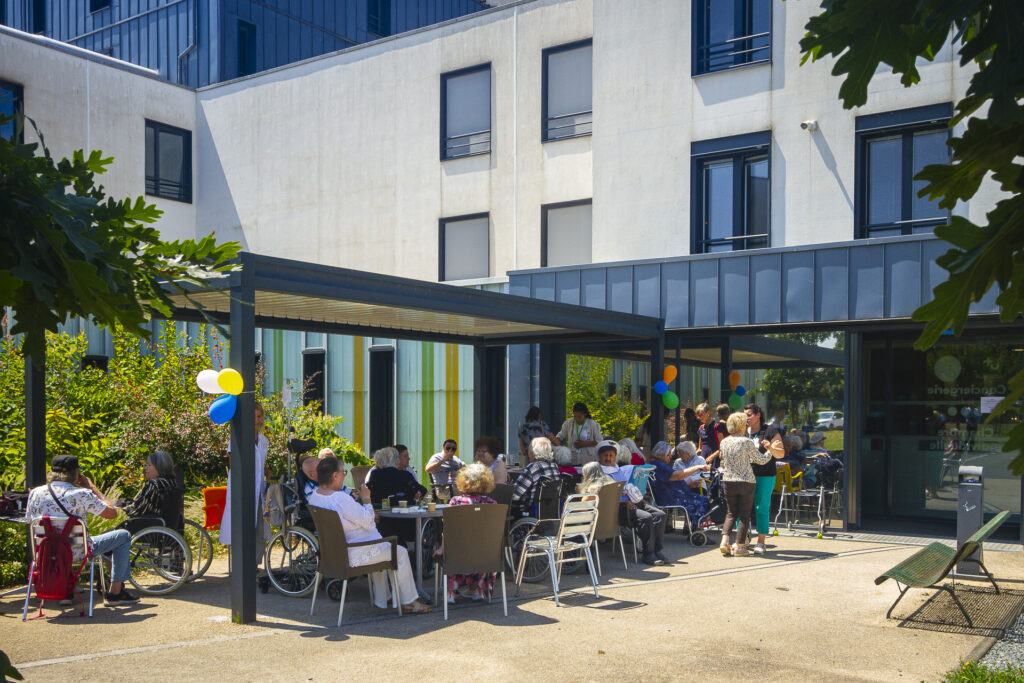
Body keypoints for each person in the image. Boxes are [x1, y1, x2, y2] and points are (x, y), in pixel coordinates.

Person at [307, 456, 431, 614]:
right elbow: (368, 520)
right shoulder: (340, 498)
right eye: (343, 472)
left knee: (380, 545)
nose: (344, 475)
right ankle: (409, 601)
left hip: (333, 554)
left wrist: (355, 503)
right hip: (355, 552)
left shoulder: (315, 496)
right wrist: (366, 498)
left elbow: (345, 518)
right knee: (400, 552)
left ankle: (384, 598)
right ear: (335, 476)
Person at [26, 455, 138, 604]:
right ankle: (115, 593)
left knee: (61, 539)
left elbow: (29, 520)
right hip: (78, 551)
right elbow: (112, 513)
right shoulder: (81, 494)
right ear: (76, 474)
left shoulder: (35, 493)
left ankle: (66, 589)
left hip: (45, 551)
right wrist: (91, 488)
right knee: (123, 535)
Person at [597, 441, 668, 566]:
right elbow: (603, 496)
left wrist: (638, 499)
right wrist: (624, 502)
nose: (608, 458)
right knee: (647, 517)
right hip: (617, 509)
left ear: (615, 457)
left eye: (611, 455)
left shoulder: (616, 469)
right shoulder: (598, 472)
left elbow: (625, 488)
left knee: (660, 515)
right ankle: (648, 553)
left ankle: (657, 550)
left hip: (630, 502)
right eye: (605, 455)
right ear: (600, 457)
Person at [220, 403, 271, 568]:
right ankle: (241, 565)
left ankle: (254, 564)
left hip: (258, 489)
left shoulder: (263, 440)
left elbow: (262, 463)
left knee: (259, 528)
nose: (256, 420)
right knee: (242, 528)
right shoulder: (238, 437)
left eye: (259, 416)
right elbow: (234, 463)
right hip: (242, 488)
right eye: (253, 416)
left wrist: (269, 475)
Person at [717, 412, 771, 557]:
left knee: (730, 513)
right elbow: (760, 460)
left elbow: (723, 462)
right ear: (742, 425)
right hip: (746, 481)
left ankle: (724, 541)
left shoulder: (724, 442)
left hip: (728, 480)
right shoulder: (746, 442)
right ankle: (740, 546)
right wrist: (770, 450)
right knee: (744, 515)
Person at [443, 464, 499, 602]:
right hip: (485, 555)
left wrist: (441, 549)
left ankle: (450, 592)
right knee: (481, 546)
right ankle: (478, 589)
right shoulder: (492, 503)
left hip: (459, 554)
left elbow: (448, 530)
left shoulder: (455, 501)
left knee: (452, 547)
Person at [745, 402, 785, 555]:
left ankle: (761, 541)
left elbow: (781, 454)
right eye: (745, 415)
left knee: (761, 508)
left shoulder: (769, 431)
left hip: (765, 475)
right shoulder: (743, 431)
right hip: (745, 475)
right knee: (743, 507)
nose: (746, 418)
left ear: (758, 415)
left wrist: (770, 447)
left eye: (749, 415)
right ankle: (743, 539)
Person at [646, 441, 711, 531]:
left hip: (670, 495)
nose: (669, 458)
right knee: (703, 500)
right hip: (670, 498)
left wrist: (688, 484)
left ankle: (693, 528)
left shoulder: (654, 465)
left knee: (699, 497)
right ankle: (696, 530)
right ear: (660, 455)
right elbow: (677, 475)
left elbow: (671, 479)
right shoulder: (659, 466)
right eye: (668, 455)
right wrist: (697, 467)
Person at [121, 450, 176, 518]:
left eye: (149, 465)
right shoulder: (171, 483)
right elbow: (143, 504)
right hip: (165, 525)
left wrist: (123, 502)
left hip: (150, 525)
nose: (145, 468)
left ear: (159, 467)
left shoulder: (154, 484)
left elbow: (137, 510)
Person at [511, 437, 560, 510]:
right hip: (549, 510)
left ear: (533, 452)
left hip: (530, 510)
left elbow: (515, 495)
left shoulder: (533, 467)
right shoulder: (554, 466)